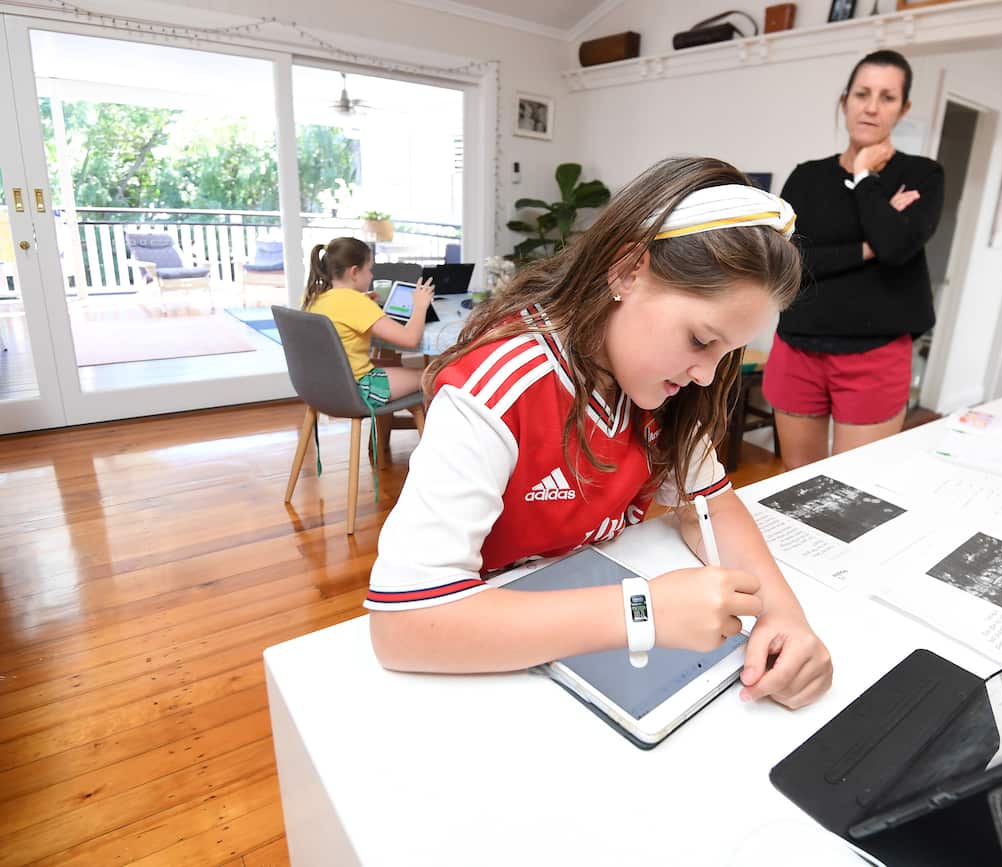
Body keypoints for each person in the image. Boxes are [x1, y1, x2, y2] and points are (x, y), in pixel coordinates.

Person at [367, 157, 833, 710]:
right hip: (484, 656)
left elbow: (708, 506)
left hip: (579, 636)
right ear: (627, 271)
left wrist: (782, 613)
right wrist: (643, 612)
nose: (706, 374)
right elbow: (404, 625)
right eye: (700, 340)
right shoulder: (497, 388)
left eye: (727, 352)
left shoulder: (667, 386)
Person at [764, 49, 944, 470]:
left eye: (887, 97)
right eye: (862, 93)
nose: (871, 107)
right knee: (797, 482)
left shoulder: (922, 175)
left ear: (904, 108)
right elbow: (786, 259)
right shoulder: (808, 176)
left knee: (852, 488)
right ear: (845, 101)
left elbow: (898, 248)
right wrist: (868, 246)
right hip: (798, 346)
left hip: (875, 354)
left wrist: (865, 179)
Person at [302, 236, 434, 405]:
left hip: (323, 386)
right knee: (433, 374)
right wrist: (420, 306)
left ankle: (387, 428)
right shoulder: (357, 303)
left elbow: (343, 308)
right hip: (359, 390)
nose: (371, 275)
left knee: (393, 363)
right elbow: (410, 339)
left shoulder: (314, 298)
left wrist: (361, 302)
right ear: (354, 272)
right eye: (369, 269)